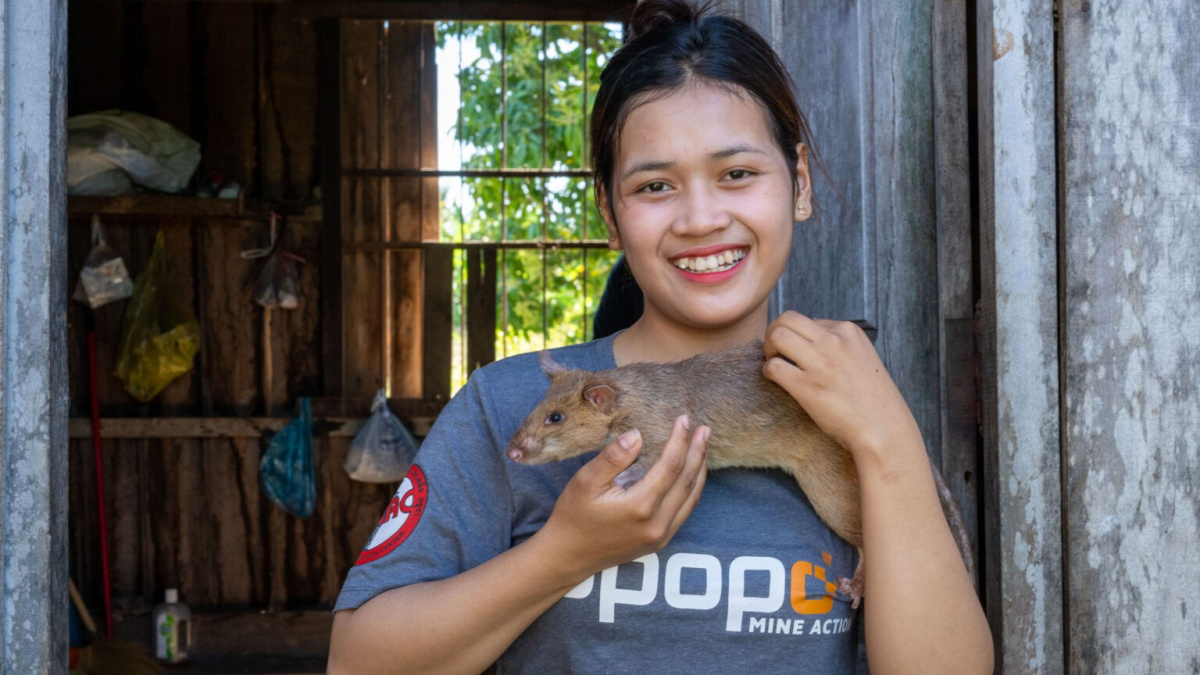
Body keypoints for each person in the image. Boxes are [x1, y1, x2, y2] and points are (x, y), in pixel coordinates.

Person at [328, 1, 993, 672]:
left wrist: (887, 439)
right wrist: (564, 553)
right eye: (654, 185)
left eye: (737, 173)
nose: (701, 218)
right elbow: (356, 664)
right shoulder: (500, 406)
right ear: (608, 213)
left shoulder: (846, 397)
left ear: (799, 183)